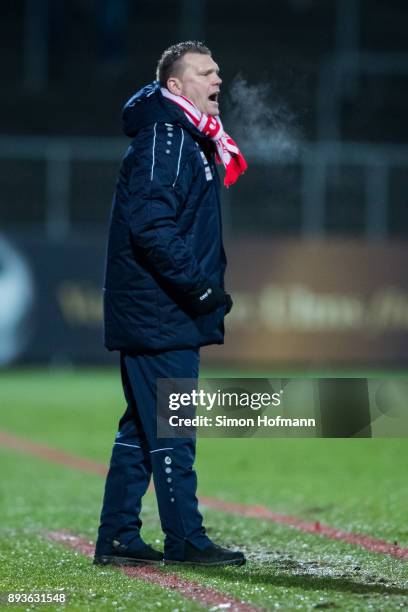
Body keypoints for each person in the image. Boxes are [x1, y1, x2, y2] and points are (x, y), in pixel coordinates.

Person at [94, 41, 247, 567]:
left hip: (159, 310)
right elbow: (152, 226)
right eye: (207, 72)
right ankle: (186, 539)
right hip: (160, 311)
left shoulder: (183, 136)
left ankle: (117, 536)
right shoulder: (167, 136)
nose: (218, 80)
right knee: (172, 427)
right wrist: (198, 288)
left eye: (219, 70)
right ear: (176, 87)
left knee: (141, 426)